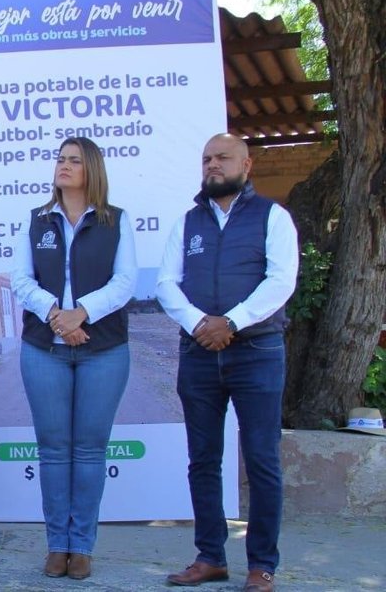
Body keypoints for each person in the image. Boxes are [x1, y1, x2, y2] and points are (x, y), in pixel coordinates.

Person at [157, 134, 298, 592]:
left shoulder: (272, 217)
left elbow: (281, 281)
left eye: (222, 157)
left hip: (257, 353)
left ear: (246, 165)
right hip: (199, 353)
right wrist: (202, 324)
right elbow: (166, 284)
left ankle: (262, 565)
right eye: (207, 159)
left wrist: (231, 322)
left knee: (261, 460)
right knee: (202, 460)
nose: (213, 165)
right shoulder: (188, 222)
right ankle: (210, 557)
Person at [11, 136, 137, 580]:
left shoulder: (115, 221)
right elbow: (20, 279)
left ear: (92, 170)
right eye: (60, 159)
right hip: (44, 349)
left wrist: (81, 313)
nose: (63, 166)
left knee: (88, 450)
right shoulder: (36, 220)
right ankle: (56, 545)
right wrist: (56, 316)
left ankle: (81, 546)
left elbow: (125, 282)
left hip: (103, 350)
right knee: (52, 450)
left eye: (74, 161)